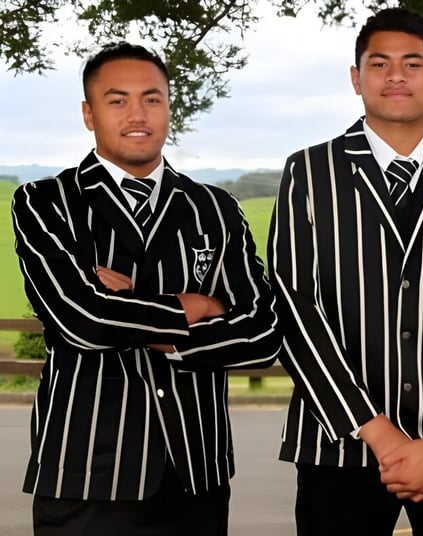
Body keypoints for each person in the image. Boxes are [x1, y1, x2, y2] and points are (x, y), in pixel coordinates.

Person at [11, 42, 282, 535]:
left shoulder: (215, 209)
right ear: (89, 113)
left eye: (152, 99)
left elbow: (263, 333)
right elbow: (83, 319)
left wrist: (135, 314)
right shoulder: (46, 202)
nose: (138, 114)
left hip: (197, 471)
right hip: (85, 470)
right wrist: (198, 306)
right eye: (118, 100)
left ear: (169, 107)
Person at [267, 7, 423, 536]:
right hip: (340, 447)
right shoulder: (310, 171)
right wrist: (380, 433)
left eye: (413, 63)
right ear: (356, 78)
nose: (397, 76)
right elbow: (295, 307)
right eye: (380, 64)